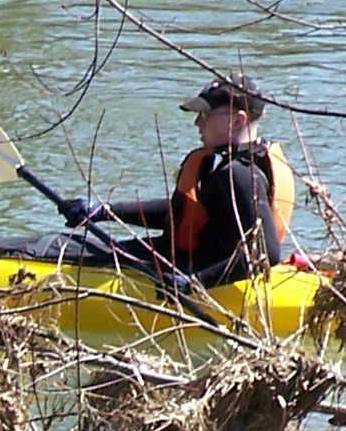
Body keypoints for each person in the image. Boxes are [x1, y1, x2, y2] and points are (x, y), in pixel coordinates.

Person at [59, 74, 324, 287]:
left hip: (192, 271)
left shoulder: (240, 175)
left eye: (206, 115)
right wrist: (104, 211)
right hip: (187, 262)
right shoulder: (236, 165)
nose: (197, 122)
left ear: (237, 120)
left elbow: (266, 253)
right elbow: (187, 211)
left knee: (55, 249)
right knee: (69, 244)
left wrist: (194, 283)